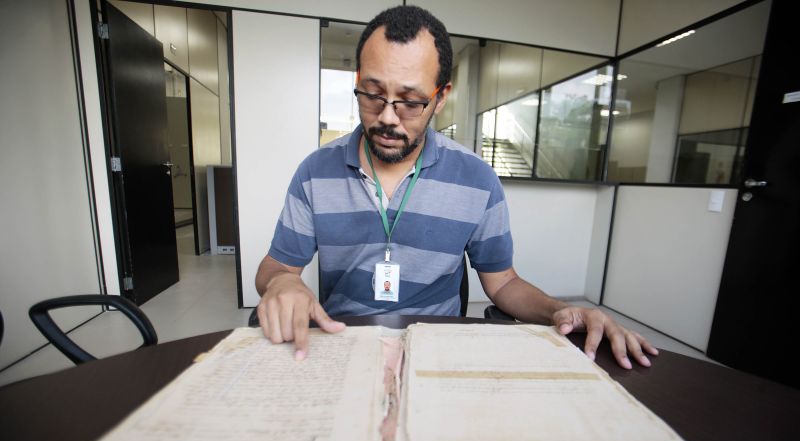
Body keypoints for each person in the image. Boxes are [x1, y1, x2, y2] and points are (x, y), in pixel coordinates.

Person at [255, 5, 658, 368]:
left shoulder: (477, 179)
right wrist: (282, 281)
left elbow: (504, 283)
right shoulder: (315, 171)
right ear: (358, 81)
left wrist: (559, 310)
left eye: (411, 101)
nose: (388, 118)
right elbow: (277, 266)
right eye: (373, 95)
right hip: (344, 347)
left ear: (441, 96)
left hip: (437, 354)